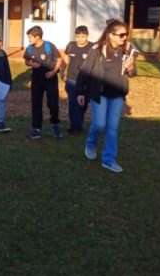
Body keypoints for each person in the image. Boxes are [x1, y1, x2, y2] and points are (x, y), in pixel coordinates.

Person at [75, 19, 138, 173]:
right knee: (100, 124)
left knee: (112, 127)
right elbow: (84, 71)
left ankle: (109, 160)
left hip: (117, 95)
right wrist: (80, 92)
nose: (125, 38)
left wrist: (131, 69)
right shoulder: (97, 50)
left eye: (126, 35)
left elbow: (132, 73)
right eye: (121, 35)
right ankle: (91, 144)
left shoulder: (128, 49)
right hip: (99, 94)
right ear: (110, 35)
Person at [24, 25, 63, 139]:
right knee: (36, 103)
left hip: (50, 79)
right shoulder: (30, 48)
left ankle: (55, 124)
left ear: (38, 37)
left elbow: (59, 59)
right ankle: (36, 128)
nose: (29, 40)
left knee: (53, 103)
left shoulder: (49, 46)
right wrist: (31, 64)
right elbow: (26, 60)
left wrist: (53, 72)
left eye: (30, 37)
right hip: (36, 80)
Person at [61, 26, 95, 133]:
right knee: (72, 102)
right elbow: (65, 59)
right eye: (77, 37)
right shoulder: (71, 45)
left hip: (86, 81)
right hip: (71, 79)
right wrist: (62, 72)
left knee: (82, 103)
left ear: (87, 36)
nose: (80, 39)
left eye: (82, 36)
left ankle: (78, 122)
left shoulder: (93, 47)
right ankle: (74, 126)